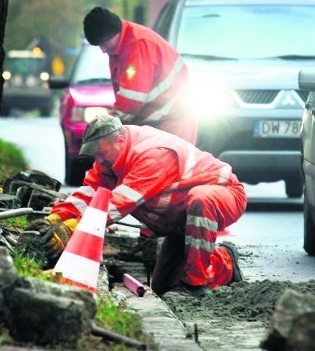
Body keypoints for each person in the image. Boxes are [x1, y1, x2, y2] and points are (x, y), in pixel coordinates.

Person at [35, 114, 246, 297]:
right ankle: (225, 264)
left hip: (224, 193)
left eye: (101, 154)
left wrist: (72, 228)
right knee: (163, 288)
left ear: (119, 140)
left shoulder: (152, 155)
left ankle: (197, 285)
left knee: (200, 200)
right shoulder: (109, 160)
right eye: (95, 156)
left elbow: (117, 205)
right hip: (179, 220)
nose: (98, 161)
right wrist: (55, 218)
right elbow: (89, 193)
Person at [82, 6, 198, 144]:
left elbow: (132, 98)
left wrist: (109, 124)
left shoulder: (137, 45)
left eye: (103, 44)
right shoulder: (118, 47)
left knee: (165, 164)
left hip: (173, 121)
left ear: (113, 32)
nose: (103, 49)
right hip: (160, 119)